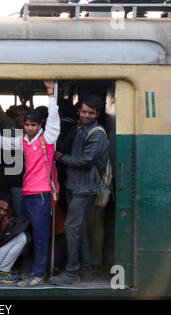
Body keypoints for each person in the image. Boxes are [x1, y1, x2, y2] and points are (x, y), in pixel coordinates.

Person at [0, 80, 60, 287]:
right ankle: (28, 268)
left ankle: (38, 274)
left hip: (41, 195)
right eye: (27, 125)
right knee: (23, 233)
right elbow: (1, 142)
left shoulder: (48, 138)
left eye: (33, 125)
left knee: (40, 236)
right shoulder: (24, 140)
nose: (29, 128)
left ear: (40, 125)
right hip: (27, 193)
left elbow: (54, 120)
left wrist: (50, 94)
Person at [49, 95, 110, 286]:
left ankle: (71, 273)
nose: (86, 115)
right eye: (84, 111)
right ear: (79, 111)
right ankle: (86, 270)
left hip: (85, 187)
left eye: (91, 113)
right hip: (75, 185)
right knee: (80, 228)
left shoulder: (97, 134)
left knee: (71, 227)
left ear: (97, 114)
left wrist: (60, 157)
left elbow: (85, 161)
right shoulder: (79, 127)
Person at [0, 192, 29, 284]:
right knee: (21, 237)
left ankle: (2, 272)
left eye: (5, 210)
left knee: (23, 236)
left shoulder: (1, 219)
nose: (1, 213)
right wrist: (2, 230)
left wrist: (4, 229)